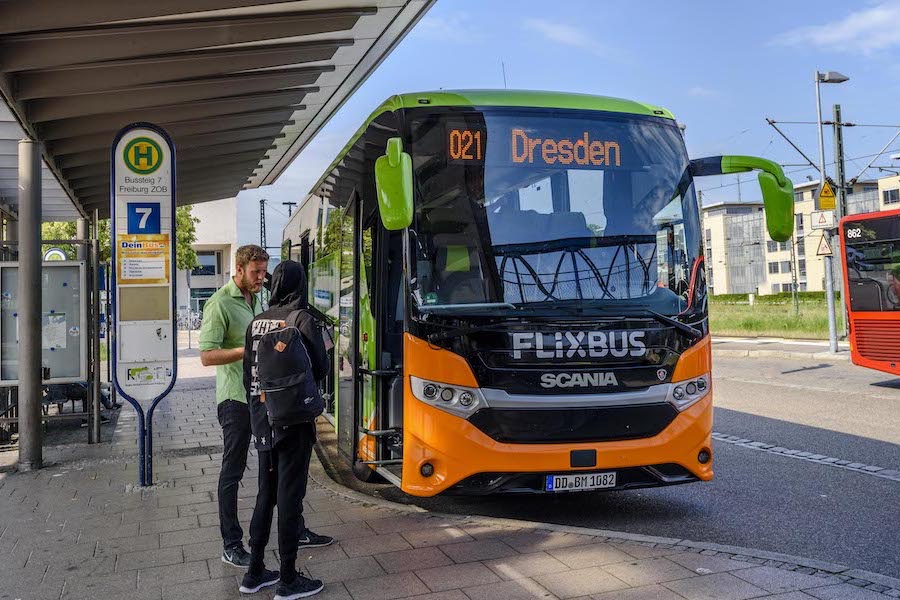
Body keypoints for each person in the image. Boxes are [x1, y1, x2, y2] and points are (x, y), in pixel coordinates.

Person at [239, 260, 332, 599]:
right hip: (293, 419)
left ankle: (254, 573)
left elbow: (248, 372)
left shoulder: (256, 323)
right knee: (290, 496)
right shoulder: (302, 319)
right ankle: (289, 578)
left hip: (262, 418)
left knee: (266, 492)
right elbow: (320, 368)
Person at [198, 244, 268, 568]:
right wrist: (246, 350)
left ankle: (295, 530)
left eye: (263, 272)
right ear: (239, 269)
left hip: (262, 397)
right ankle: (230, 543)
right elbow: (206, 356)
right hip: (234, 400)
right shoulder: (219, 304)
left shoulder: (261, 297)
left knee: (277, 464)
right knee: (233, 471)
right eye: (255, 272)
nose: (260, 278)